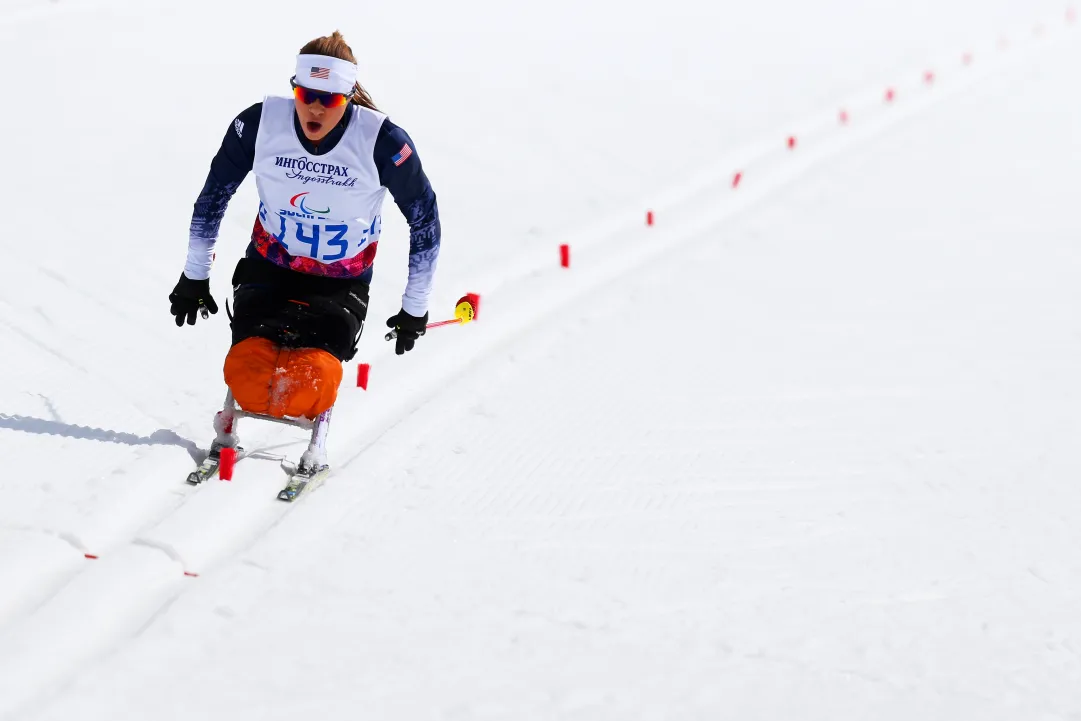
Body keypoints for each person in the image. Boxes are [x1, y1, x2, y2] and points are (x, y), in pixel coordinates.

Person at [168, 31, 440, 421]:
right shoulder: (260, 123)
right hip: (269, 267)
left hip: (339, 282)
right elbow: (213, 196)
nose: (314, 108)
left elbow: (425, 220)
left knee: (308, 386)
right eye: (305, 95)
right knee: (247, 376)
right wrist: (195, 275)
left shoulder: (380, 141)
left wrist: (414, 307)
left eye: (327, 99)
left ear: (346, 99)